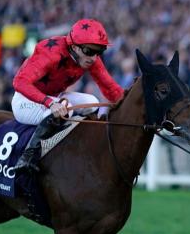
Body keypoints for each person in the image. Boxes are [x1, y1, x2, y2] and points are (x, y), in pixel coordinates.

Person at [11, 19, 124, 173]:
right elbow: (19, 82)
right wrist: (49, 102)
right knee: (66, 109)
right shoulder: (51, 52)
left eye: (99, 52)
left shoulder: (90, 59)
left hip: (55, 98)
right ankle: (27, 158)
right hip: (25, 100)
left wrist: (134, 101)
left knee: (93, 102)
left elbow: (111, 89)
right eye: (89, 51)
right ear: (74, 47)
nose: (93, 58)